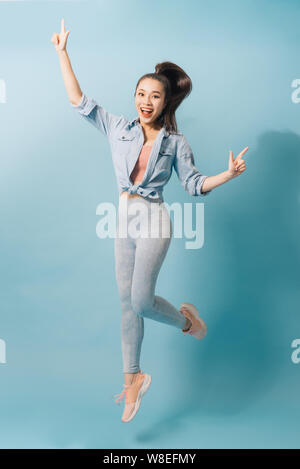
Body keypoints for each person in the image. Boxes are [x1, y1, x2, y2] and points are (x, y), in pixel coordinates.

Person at [51, 18, 249, 423]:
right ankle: (133, 380)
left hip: (154, 219)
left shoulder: (175, 143)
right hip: (123, 217)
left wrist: (227, 174)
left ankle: (186, 321)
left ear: (166, 102)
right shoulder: (117, 128)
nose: (145, 101)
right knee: (127, 305)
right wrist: (62, 53)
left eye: (154, 96)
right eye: (140, 94)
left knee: (142, 301)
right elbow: (78, 100)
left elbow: (194, 185)